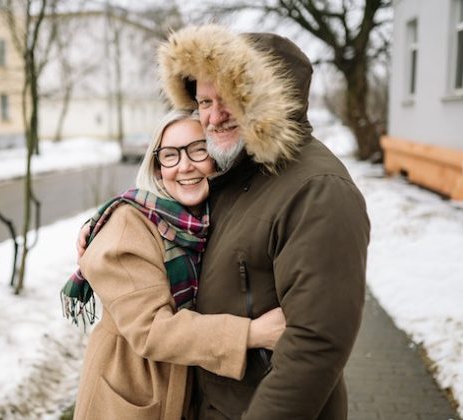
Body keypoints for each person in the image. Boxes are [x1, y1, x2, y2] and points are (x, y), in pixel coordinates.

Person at [155, 24, 371, 419]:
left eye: (230, 99)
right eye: (203, 102)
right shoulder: (231, 173)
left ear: (270, 101)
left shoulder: (318, 190)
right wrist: (109, 224)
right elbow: (167, 211)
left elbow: (315, 346)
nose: (214, 117)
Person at [65, 109, 286, 420]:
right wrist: (252, 334)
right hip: (130, 391)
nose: (184, 166)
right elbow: (152, 330)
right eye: (170, 155)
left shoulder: (204, 220)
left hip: (184, 390)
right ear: (157, 169)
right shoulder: (129, 226)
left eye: (198, 149)